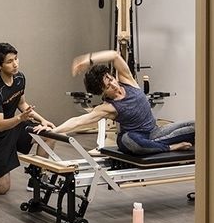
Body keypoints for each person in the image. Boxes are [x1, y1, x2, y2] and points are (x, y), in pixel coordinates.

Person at [40, 49, 194, 155]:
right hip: (135, 138)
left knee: (196, 126)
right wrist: (53, 131)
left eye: (111, 78)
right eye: (108, 86)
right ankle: (170, 147)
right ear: (102, 92)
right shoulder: (108, 107)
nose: (114, 84)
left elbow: (114, 55)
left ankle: (157, 146)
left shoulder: (127, 80)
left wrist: (88, 60)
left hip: (155, 132)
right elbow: (78, 121)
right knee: (128, 141)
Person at [0, 42, 54, 195]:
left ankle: (36, 179)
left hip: (13, 128)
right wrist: (20, 118)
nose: (15, 64)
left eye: (16, 59)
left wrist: (42, 120)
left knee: (49, 134)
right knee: (1, 188)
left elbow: (22, 103)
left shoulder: (19, 78)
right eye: (10, 61)